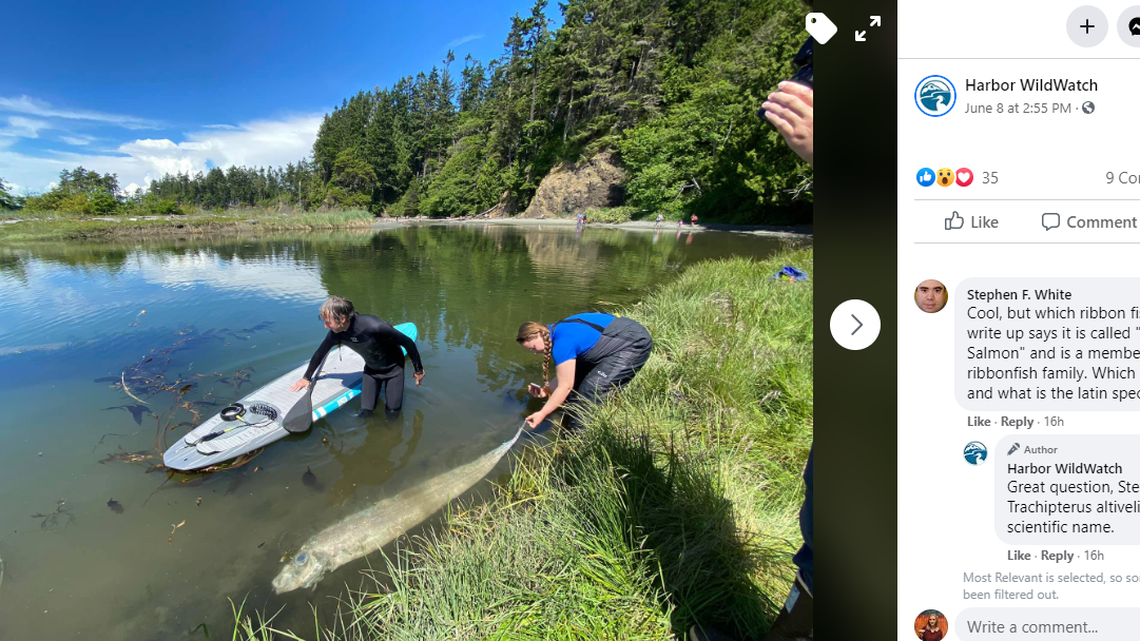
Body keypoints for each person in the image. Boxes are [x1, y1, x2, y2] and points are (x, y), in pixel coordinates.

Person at [290, 296, 424, 419]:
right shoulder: (336, 334)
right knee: (365, 413)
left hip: (393, 370)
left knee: (392, 415)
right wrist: (306, 378)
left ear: (342, 319)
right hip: (371, 371)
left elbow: (408, 343)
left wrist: (418, 371)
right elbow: (320, 353)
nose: (326, 326)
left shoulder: (374, 326)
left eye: (328, 322)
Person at [516, 313, 652, 430]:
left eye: (533, 348)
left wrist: (542, 413)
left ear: (539, 334)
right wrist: (546, 391)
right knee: (575, 389)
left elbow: (565, 386)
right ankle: (567, 422)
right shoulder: (552, 332)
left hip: (633, 344)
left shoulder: (562, 344)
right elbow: (565, 377)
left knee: (590, 391)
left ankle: (579, 440)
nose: (534, 353)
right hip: (616, 338)